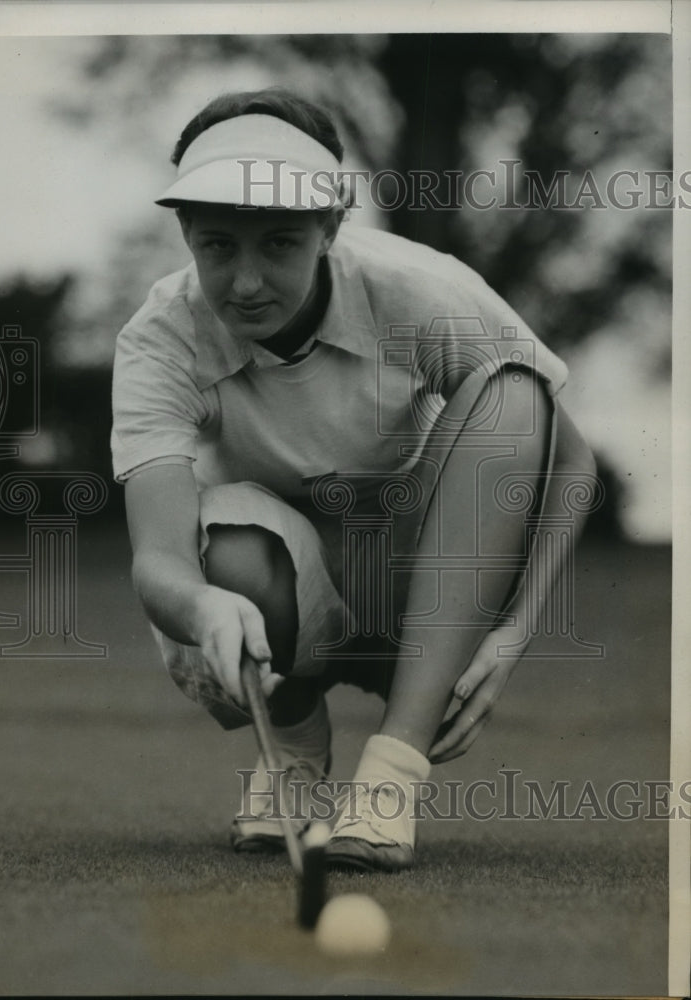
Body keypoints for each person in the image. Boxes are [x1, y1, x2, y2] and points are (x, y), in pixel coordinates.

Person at [111, 88, 596, 872]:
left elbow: (567, 459)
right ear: (185, 234)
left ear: (331, 224)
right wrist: (202, 606)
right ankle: (293, 751)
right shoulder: (159, 338)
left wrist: (512, 635)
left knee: (512, 388)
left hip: (418, 592)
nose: (243, 282)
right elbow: (158, 558)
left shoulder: (420, 290)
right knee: (228, 541)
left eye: (277, 243)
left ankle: (393, 772)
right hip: (272, 602)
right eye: (217, 246)